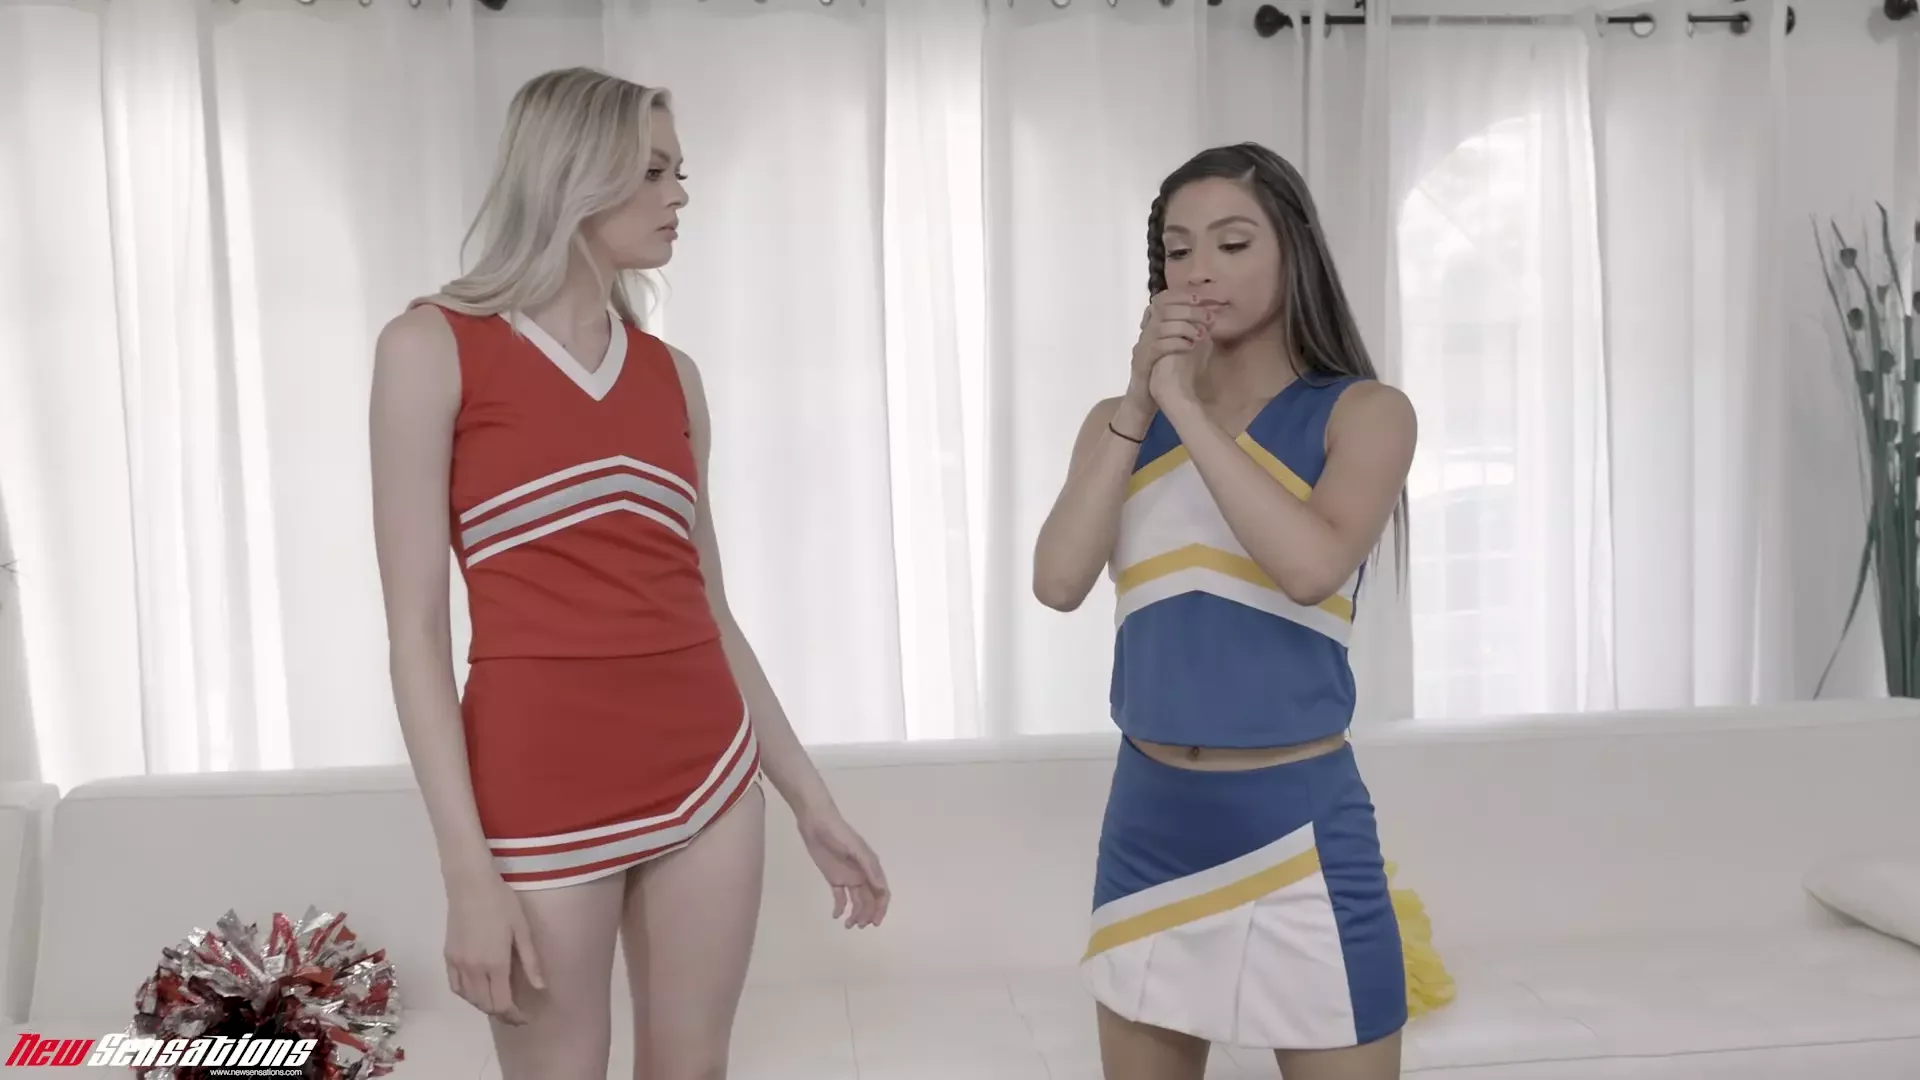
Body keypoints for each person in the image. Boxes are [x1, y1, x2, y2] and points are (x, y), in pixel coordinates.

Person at [368, 67, 890, 1080]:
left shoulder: (671, 376)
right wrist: (468, 873)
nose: (679, 194)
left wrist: (811, 800)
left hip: (709, 774)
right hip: (538, 785)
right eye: (652, 171)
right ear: (572, 172)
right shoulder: (430, 349)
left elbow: (709, 611)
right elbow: (416, 639)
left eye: (679, 170)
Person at [1032, 142, 1452, 1080]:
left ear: (1293, 251)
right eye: (1177, 250)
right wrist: (1140, 401)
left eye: (1231, 243)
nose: (1199, 271)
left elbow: (1309, 567)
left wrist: (1185, 407)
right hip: (1148, 830)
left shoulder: (1365, 413)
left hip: (1298, 830)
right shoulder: (1119, 423)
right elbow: (1057, 582)